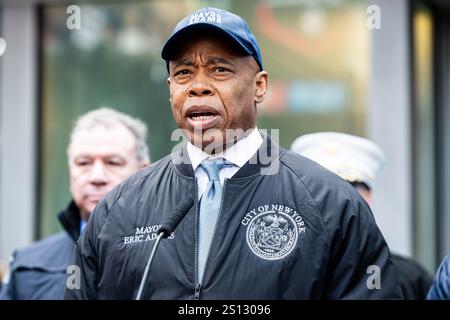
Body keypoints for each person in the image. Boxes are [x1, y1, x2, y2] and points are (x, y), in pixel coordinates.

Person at [64, 7, 401, 300]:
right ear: (170, 91)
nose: (198, 85)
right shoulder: (119, 208)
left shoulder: (329, 202)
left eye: (219, 69)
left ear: (259, 86)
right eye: (183, 72)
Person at [0, 108, 150, 300]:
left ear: (143, 173)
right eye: (83, 163)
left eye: (113, 162)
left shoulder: (174, 259)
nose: (96, 177)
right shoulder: (27, 270)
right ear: (70, 170)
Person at [291, 131, 433, 299]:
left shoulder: (409, 278)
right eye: (317, 192)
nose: (334, 203)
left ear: (367, 198)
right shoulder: (279, 272)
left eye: (348, 190)